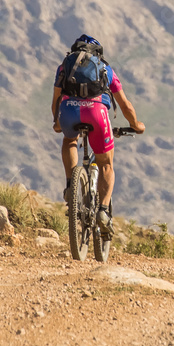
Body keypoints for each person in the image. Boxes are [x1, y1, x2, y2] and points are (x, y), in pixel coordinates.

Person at [52, 35, 145, 234]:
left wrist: (57, 122)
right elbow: (125, 105)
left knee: (69, 140)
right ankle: (103, 210)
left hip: (68, 111)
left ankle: (71, 186)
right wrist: (136, 125)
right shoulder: (105, 69)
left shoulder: (64, 67)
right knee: (106, 164)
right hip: (96, 114)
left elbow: (56, 100)